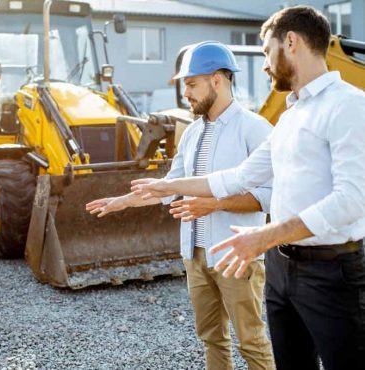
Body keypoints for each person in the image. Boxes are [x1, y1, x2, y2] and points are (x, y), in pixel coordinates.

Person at [131, 6, 365, 370]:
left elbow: (352, 200)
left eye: (267, 52)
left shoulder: (349, 105)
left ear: (291, 42)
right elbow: (238, 175)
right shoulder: (290, 117)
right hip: (281, 267)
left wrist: (264, 235)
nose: (265, 65)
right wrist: (166, 186)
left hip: (331, 271)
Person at [86, 41, 274, 370]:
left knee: (252, 342)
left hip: (235, 256)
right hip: (195, 255)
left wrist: (213, 205)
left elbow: (271, 196)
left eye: (191, 84)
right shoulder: (191, 133)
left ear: (218, 79)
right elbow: (170, 186)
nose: (185, 93)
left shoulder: (255, 129)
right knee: (212, 338)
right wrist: (123, 202)